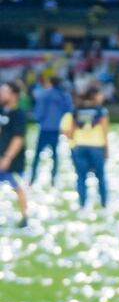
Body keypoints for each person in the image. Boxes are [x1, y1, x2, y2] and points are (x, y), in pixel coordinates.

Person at [66, 87, 110, 209]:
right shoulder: (101, 111)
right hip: (96, 146)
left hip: (80, 145)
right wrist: (107, 148)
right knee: (100, 176)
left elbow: (71, 131)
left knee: (81, 177)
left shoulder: (77, 110)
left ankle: (82, 204)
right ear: (94, 96)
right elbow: (105, 131)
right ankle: (104, 203)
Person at [29, 76, 73, 186]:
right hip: (56, 128)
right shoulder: (63, 95)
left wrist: (39, 119)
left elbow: (39, 111)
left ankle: (32, 178)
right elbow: (69, 109)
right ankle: (53, 179)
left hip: (44, 128)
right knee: (55, 155)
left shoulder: (45, 94)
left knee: (37, 154)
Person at [0, 81, 29, 228]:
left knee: (17, 187)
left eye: (4, 91)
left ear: (13, 95)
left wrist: (7, 157)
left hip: (13, 160)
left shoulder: (19, 114)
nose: (1, 94)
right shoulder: (3, 111)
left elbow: (18, 138)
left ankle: (25, 218)